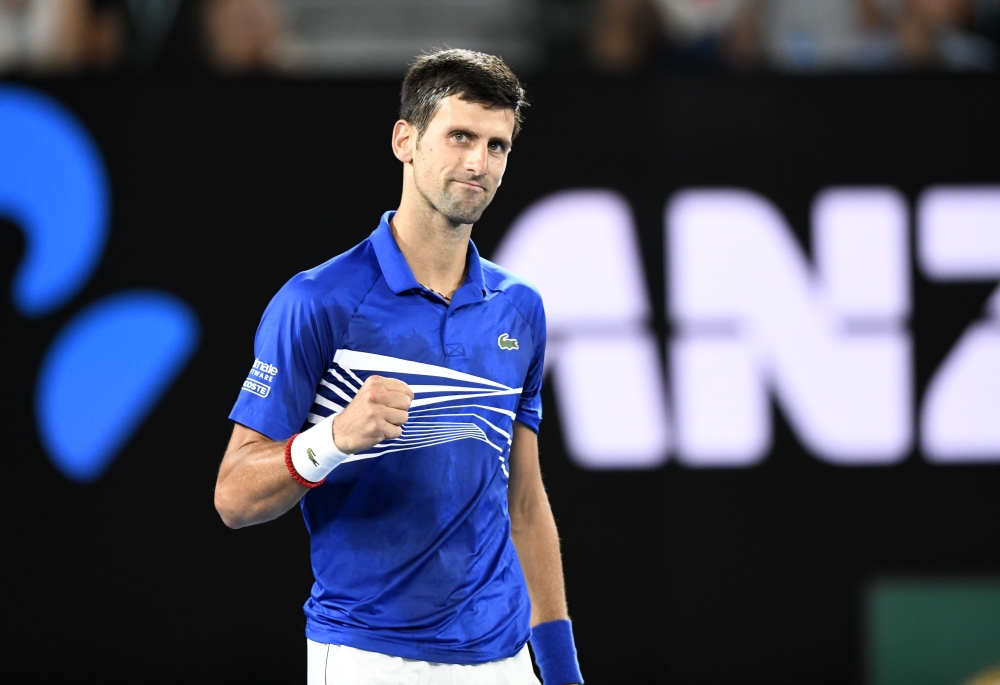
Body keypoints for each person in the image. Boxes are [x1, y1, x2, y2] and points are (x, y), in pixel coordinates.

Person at [214, 49, 583, 685]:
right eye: (460, 137)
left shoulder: (520, 310)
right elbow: (234, 497)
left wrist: (559, 669)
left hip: (503, 660)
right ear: (405, 141)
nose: (479, 163)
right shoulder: (317, 301)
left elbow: (523, 503)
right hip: (367, 658)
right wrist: (330, 440)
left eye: (497, 146)